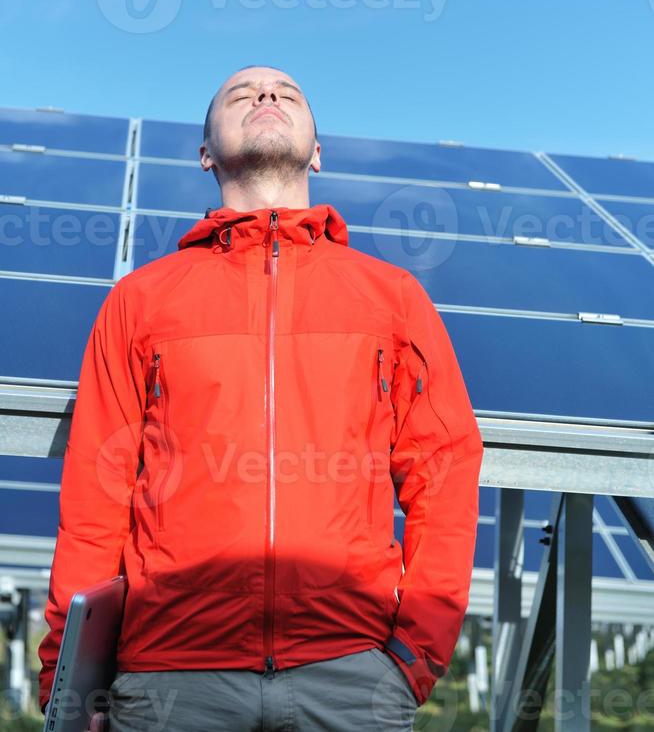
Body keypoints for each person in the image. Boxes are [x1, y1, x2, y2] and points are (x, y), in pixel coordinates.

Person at [38, 65, 484, 731]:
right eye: (241, 94)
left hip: (354, 675)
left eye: (288, 92)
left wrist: (413, 653)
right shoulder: (140, 301)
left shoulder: (393, 299)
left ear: (318, 148)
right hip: (172, 677)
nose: (268, 96)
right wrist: (68, 680)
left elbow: (444, 471)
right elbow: (95, 498)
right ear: (205, 153)